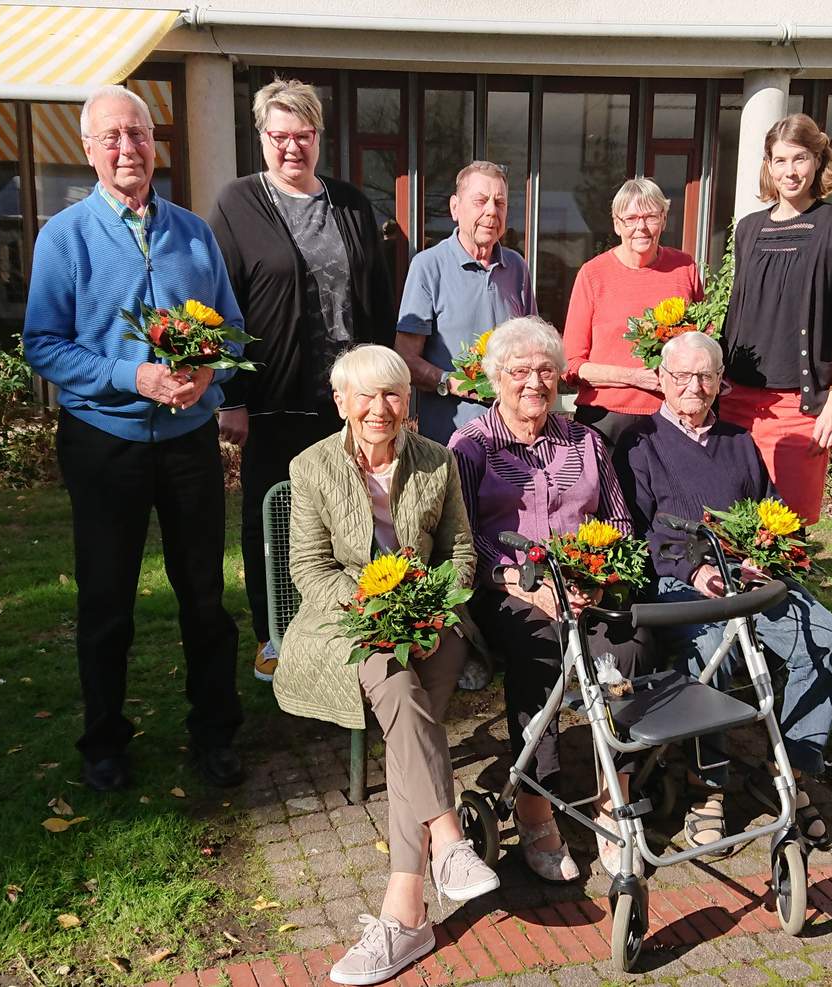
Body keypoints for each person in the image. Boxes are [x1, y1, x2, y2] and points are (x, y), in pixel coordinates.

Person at [23, 85, 245, 792]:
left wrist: (206, 378)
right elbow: (43, 345)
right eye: (112, 136)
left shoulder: (193, 232)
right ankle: (104, 742)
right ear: (88, 149)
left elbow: (230, 331)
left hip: (187, 444)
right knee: (107, 600)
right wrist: (134, 376)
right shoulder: (64, 236)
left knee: (204, 597)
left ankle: (214, 732)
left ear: (157, 144)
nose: (128, 148)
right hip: (102, 442)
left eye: (140, 134)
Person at [277, 345, 499, 985]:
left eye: (393, 395)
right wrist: (374, 611)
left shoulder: (439, 462)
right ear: (341, 402)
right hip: (357, 619)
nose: (380, 409)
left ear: (410, 401)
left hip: (437, 618)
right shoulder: (311, 466)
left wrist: (430, 608)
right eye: (366, 397)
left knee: (407, 703)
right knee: (400, 688)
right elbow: (310, 568)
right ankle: (443, 846)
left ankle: (406, 920)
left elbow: (459, 551)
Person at [617, 330, 832, 851]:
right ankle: (709, 784)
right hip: (680, 580)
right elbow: (637, 532)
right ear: (661, 379)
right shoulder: (639, 443)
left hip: (748, 578)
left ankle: (788, 766)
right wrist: (693, 569)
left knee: (831, 639)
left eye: (705, 376)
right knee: (711, 652)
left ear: (721, 382)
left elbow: (770, 514)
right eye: (682, 376)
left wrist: (767, 558)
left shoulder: (739, 442)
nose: (693, 386)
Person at [448, 317, 650, 882]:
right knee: (537, 649)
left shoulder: (585, 440)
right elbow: (461, 534)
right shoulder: (472, 444)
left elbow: (618, 523)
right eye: (519, 371)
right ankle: (536, 806)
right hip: (508, 589)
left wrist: (597, 577)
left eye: (545, 370)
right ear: (494, 378)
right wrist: (520, 583)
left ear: (560, 377)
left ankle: (616, 794)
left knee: (630, 645)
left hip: (585, 584)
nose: (534, 382)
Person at [210, 78, 396, 684]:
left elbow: (375, 301)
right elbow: (221, 304)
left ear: (320, 137)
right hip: (274, 397)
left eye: (304, 136)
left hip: (350, 400)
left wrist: (387, 390)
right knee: (274, 517)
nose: (292, 148)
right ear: (261, 137)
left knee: (356, 513)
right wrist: (231, 397)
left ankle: (351, 623)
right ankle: (273, 633)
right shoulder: (237, 203)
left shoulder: (348, 203)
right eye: (279, 136)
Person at [396, 160, 534, 691]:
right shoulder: (428, 266)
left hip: (512, 435)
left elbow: (526, 338)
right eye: (480, 200)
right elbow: (406, 356)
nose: (491, 212)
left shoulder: (517, 267)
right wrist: (452, 383)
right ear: (455, 207)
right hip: (450, 435)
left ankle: (503, 638)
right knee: (450, 543)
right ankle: (458, 646)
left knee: (502, 533)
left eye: (499, 202)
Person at [720, 113, 832, 525]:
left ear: (818, 161)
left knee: (787, 522)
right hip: (737, 400)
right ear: (768, 165)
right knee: (733, 517)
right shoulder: (749, 229)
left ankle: (786, 592)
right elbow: (738, 308)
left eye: (799, 159)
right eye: (779, 161)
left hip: (798, 403)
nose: (790, 171)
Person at [562, 177, 702, 447]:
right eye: (631, 218)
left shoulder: (684, 268)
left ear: (664, 219)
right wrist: (635, 377)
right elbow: (571, 365)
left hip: (673, 416)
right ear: (617, 224)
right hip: (606, 420)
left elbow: (702, 341)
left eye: (650, 216)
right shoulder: (593, 275)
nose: (641, 227)